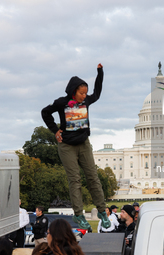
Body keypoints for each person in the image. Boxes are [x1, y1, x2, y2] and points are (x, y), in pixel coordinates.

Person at [41, 63, 110, 231]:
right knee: (75, 180)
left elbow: (98, 93)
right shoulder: (61, 103)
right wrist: (55, 130)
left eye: (85, 93)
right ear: (73, 91)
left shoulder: (86, 101)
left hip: (84, 143)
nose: (84, 96)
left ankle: (102, 211)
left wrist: (100, 73)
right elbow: (45, 112)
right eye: (81, 93)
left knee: (93, 177)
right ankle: (78, 214)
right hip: (67, 146)